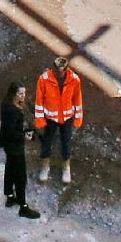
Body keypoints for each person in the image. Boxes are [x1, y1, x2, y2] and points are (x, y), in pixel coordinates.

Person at [35, 56, 86, 187]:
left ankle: (66, 168)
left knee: (66, 143)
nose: (58, 73)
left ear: (66, 70)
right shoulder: (44, 80)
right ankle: (45, 167)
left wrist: (78, 118)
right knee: (46, 142)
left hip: (67, 118)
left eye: (61, 71)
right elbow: (39, 100)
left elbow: (77, 100)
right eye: (56, 70)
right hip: (50, 118)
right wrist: (40, 119)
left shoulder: (74, 80)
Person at [0, 84, 41, 217]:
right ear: (13, 94)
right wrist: (25, 135)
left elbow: (9, 129)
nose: (23, 96)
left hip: (7, 144)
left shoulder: (5, 104)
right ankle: (23, 207)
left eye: (24, 93)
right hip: (14, 147)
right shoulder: (13, 110)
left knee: (10, 169)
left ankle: (10, 196)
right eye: (20, 94)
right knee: (20, 177)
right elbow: (11, 133)